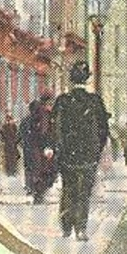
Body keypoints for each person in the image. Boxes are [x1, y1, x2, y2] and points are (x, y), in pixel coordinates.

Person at [52, 62, 110, 240]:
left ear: (71, 79)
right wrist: (97, 150)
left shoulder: (62, 101)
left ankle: (66, 225)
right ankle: (81, 228)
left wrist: (58, 149)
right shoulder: (95, 101)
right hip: (88, 154)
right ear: (87, 79)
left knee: (68, 187)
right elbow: (103, 130)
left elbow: (54, 128)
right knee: (84, 191)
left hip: (67, 153)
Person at [21, 94, 57, 203]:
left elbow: (23, 133)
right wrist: (49, 146)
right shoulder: (46, 115)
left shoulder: (28, 118)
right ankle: (38, 194)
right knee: (43, 170)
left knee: (33, 170)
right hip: (41, 148)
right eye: (50, 104)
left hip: (31, 148)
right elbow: (47, 133)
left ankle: (34, 191)